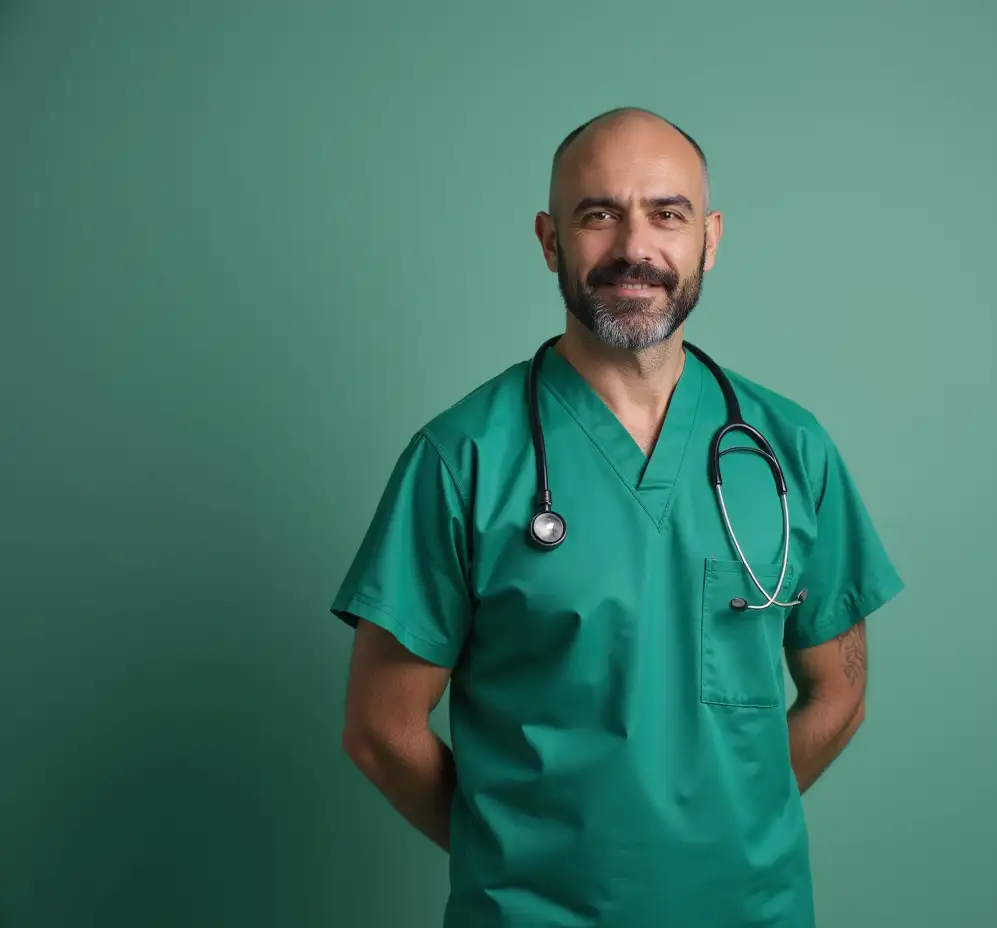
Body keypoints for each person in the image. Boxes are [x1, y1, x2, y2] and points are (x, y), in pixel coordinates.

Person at [329, 106, 905, 927]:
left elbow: (838, 695)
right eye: (598, 214)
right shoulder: (462, 459)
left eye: (666, 214)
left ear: (708, 240)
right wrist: (527, 857)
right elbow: (381, 733)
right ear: (549, 240)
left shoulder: (789, 451)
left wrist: (728, 827)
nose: (635, 247)